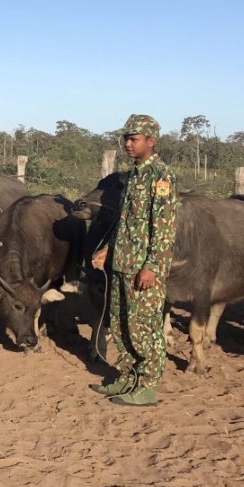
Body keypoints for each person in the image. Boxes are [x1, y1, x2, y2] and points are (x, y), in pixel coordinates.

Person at [90, 114, 179, 407]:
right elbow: (128, 222)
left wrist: (152, 266)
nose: (128, 143)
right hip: (122, 264)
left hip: (143, 269)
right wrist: (109, 249)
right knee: (122, 325)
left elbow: (163, 228)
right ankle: (128, 378)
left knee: (146, 329)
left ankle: (148, 386)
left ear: (151, 142)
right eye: (126, 138)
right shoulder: (135, 174)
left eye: (134, 139)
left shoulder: (160, 176)